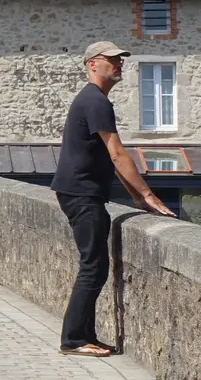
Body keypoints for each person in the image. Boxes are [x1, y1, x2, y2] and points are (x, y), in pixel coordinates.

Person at [54, 42, 175, 357]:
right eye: (112, 60)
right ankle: (73, 340)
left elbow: (109, 160)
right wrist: (148, 193)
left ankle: (85, 335)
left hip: (79, 190)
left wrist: (136, 196)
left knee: (95, 265)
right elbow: (118, 154)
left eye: (120, 60)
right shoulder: (95, 101)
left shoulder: (93, 100)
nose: (119, 64)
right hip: (82, 193)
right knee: (92, 267)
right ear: (93, 63)